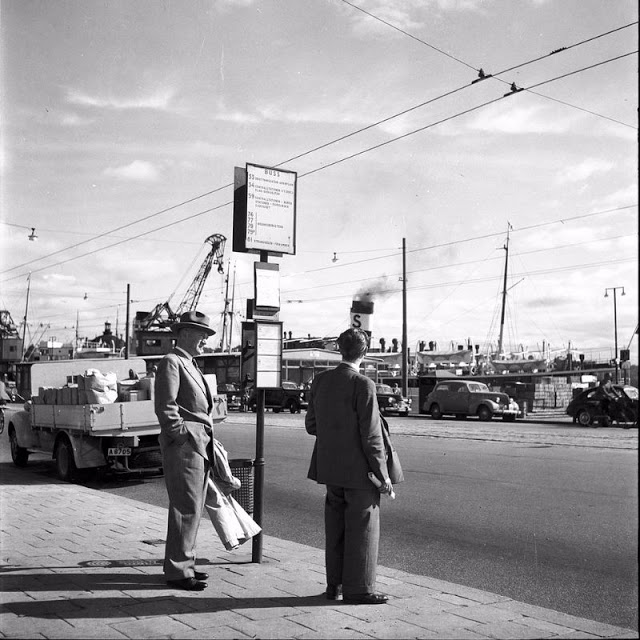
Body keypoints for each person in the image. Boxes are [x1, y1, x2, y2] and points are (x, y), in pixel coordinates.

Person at [305, 327, 393, 605]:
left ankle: (335, 586)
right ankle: (360, 589)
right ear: (364, 352)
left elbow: (311, 425)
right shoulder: (363, 384)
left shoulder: (321, 381)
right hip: (360, 473)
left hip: (330, 468)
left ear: (339, 350)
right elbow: (372, 436)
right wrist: (383, 475)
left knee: (336, 530)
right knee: (364, 529)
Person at [154, 310, 216, 591]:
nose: (205, 339)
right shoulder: (172, 361)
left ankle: (184, 562)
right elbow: (166, 406)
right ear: (186, 333)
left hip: (198, 444)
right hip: (186, 444)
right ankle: (178, 570)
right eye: (202, 334)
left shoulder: (189, 362)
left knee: (193, 507)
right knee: (185, 506)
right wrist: (181, 435)